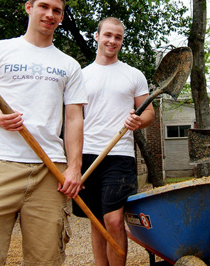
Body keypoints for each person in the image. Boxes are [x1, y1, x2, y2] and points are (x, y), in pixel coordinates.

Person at [0, 0, 87, 265]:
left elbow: (73, 119)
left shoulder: (70, 65)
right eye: (43, 6)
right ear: (29, 7)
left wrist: (74, 168)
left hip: (50, 171)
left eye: (57, 10)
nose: (50, 14)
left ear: (61, 17)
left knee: (46, 259)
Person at [71, 17, 154, 266]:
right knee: (96, 220)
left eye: (118, 37)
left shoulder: (133, 75)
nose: (112, 41)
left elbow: (148, 112)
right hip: (88, 154)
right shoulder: (81, 76)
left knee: (114, 220)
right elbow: (72, 118)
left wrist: (138, 121)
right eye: (107, 35)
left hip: (120, 155)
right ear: (96, 37)